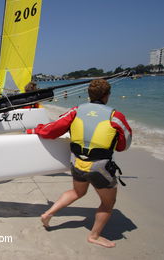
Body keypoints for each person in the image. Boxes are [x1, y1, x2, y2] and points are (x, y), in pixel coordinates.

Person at [26, 79, 132, 248]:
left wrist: (34, 130)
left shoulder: (76, 110)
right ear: (107, 96)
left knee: (77, 191)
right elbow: (124, 145)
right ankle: (94, 236)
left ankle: (48, 213)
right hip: (100, 168)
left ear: (89, 94)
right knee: (108, 203)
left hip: (77, 163)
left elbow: (52, 129)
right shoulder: (115, 116)